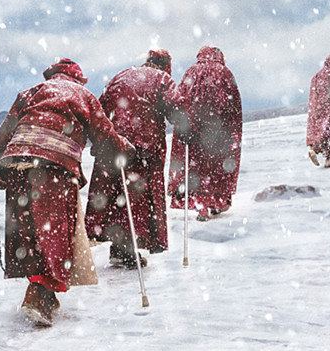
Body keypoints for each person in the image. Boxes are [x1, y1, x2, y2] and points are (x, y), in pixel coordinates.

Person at [0, 58, 135, 327]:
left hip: (18, 162)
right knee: (53, 234)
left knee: (29, 232)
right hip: (53, 167)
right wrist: (121, 147)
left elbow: (6, 130)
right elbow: (104, 134)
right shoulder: (84, 95)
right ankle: (38, 296)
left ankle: (45, 291)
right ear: (78, 79)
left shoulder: (30, 92)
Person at [85, 49, 186, 268]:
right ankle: (127, 250)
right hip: (143, 147)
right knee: (137, 200)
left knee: (117, 197)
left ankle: (120, 248)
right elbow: (176, 108)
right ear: (165, 65)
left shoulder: (120, 76)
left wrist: (103, 140)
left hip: (111, 145)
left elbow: (99, 109)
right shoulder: (162, 79)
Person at [167, 46, 242, 222]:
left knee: (196, 168)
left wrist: (186, 125)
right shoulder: (224, 72)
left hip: (194, 131)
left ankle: (201, 205)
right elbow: (233, 106)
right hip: (218, 131)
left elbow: (180, 100)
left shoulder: (190, 72)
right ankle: (214, 203)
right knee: (216, 168)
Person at [307, 55, 330, 169]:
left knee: (321, 133)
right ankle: (326, 159)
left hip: (318, 111)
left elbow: (314, 95)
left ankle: (316, 151)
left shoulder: (316, 77)